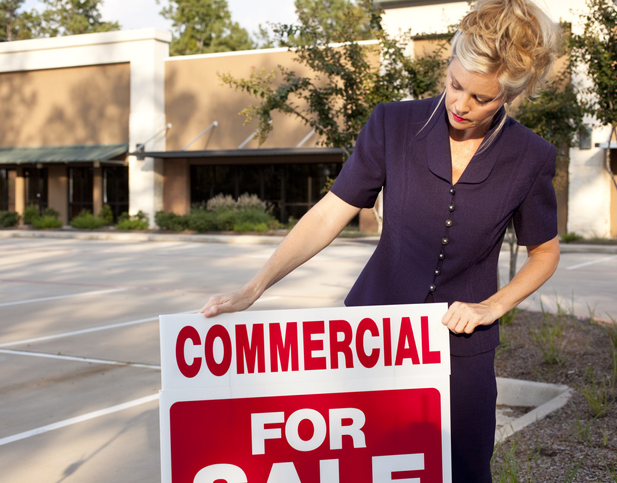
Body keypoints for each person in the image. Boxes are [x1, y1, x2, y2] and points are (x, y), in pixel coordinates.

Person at [201, 0, 561, 480]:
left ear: (511, 96)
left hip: (464, 347)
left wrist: (491, 307)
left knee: (466, 469)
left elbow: (545, 252)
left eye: (482, 98)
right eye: (455, 84)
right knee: (361, 467)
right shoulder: (393, 124)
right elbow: (332, 211)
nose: (460, 104)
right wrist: (255, 286)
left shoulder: (531, 156)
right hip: (372, 339)